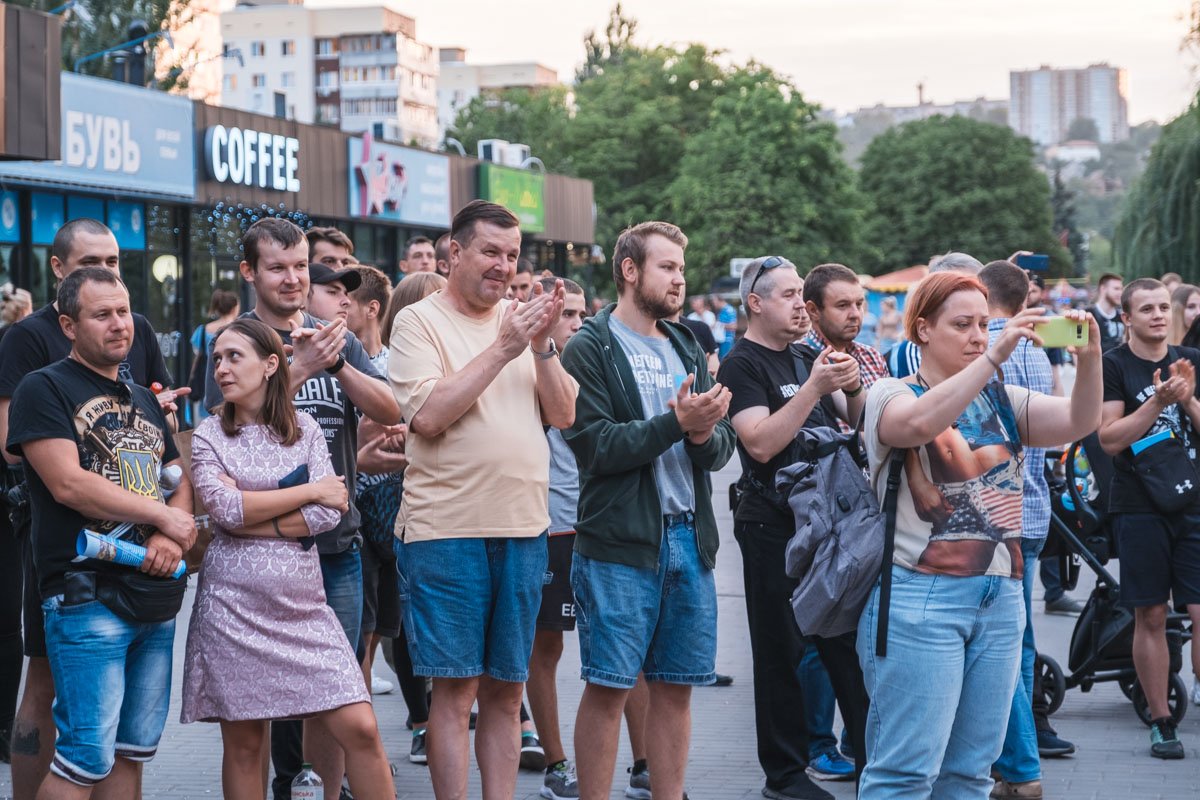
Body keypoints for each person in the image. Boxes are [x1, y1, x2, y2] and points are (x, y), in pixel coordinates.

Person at [858, 270, 1101, 797]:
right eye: (962, 324)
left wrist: (1091, 359)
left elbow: (1079, 421)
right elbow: (917, 426)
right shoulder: (889, 392)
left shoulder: (1001, 397)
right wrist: (993, 357)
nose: (977, 336)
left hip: (1000, 597)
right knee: (904, 772)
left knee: (970, 771)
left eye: (985, 325)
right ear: (922, 330)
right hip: (920, 597)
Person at [205, 217, 400, 799]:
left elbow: (390, 408)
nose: (292, 280)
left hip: (333, 550)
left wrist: (337, 363)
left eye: (299, 267)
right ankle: (292, 784)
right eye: (277, 268)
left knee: (336, 703)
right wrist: (302, 369)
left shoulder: (329, 334)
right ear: (249, 273)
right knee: (249, 726)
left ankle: (324, 790)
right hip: (245, 563)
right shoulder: (233, 342)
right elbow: (224, 431)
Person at [389, 200, 577, 800]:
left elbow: (564, 413)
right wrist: (505, 345)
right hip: (446, 533)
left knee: (507, 688)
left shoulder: (524, 324)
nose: (503, 266)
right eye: (490, 252)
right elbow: (430, 416)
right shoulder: (417, 322)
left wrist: (542, 346)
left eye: (512, 255)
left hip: (525, 529)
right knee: (456, 690)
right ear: (454, 253)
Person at [0, 218, 177, 800]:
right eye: (103, 315)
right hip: (81, 586)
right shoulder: (40, 375)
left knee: (130, 751)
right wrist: (163, 518)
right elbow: (66, 482)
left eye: (124, 310)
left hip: (151, 588)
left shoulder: (137, 387)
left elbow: (176, 470)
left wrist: (171, 535)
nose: (121, 324)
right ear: (68, 323)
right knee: (82, 756)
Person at [561, 220, 735, 800]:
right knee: (609, 687)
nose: (679, 279)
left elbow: (719, 450)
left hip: (690, 539)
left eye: (682, 269)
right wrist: (677, 423)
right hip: (619, 545)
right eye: (667, 267)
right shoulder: (592, 344)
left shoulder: (686, 342)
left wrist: (703, 432)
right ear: (630, 270)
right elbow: (595, 447)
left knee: (677, 688)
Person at [717, 255, 867, 800]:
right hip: (771, 525)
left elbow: (852, 418)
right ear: (755, 303)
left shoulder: (807, 356)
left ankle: (873, 761)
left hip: (826, 523)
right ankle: (783, 776)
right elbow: (758, 442)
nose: (801, 306)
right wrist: (813, 389)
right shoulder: (741, 364)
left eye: (803, 294)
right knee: (780, 650)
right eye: (787, 295)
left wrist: (848, 387)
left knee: (844, 644)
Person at [978, 260, 1074, 799]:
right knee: (1017, 637)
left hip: (997, 516)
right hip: (1035, 509)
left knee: (1004, 647)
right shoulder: (1038, 350)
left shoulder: (991, 349)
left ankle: (1018, 765)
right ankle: (1017, 758)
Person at [1097, 277, 1200, 760]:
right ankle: (1161, 721)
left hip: (1193, 499)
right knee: (1151, 612)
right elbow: (1110, 437)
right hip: (1138, 503)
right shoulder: (1115, 366)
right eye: (1147, 309)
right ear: (1127, 318)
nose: (1159, 315)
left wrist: (1188, 400)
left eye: (1164, 307)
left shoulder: (1191, 360)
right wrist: (1157, 402)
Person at [377, 271, 446, 765]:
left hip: (446, 504)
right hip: (389, 505)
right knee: (400, 625)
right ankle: (422, 719)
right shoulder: (384, 362)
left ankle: (439, 714)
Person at [523, 275, 587, 800]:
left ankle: (642, 764)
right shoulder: (526, 363)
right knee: (544, 648)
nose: (577, 323)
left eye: (582, 314)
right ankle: (557, 762)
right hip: (547, 527)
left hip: (600, 527)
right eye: (567, 314)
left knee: (619, 651)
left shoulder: (600, 363)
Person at [343, 266, 407, 698]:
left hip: (394, 513)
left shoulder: (394, 365)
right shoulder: (336, 359)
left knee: (385, 627)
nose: (338, 307)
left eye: (347, 301)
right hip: (353, 513)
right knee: (360, 634)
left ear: (372, 309)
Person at [802, 263, 889, 410]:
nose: (855, 314)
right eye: (842, 305)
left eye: (859, 304)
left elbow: (887, 420)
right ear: (813, 310)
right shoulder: (797, 358)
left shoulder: (872, 356)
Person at [885, 252, 983, 379]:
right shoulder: (915, 352)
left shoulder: (994, 341)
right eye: (962, 325)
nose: (974, 293)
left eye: (983, 325)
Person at [188, 289, 240, 422]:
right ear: (234, 308)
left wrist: (192, 378)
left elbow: (198, 357)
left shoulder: (204, 330)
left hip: (209, 378)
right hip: (233, 377)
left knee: (208, 420)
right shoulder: (239, 329)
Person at [1086, 273, 1125, 352]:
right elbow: (1077, 348)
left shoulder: (1123, 316)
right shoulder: (1087, 315)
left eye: (1121, 289)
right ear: (1103, 288)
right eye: (1116, 289)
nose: (1120, 293)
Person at [711, 294, 737, 359]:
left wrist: (719, 324)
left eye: (714, 302)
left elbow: (734, 326)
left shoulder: (729, 310)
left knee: (725, 359)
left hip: (727, 341)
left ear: (719, 300)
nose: (713, 304)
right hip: (721, 340)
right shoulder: (722, 310)